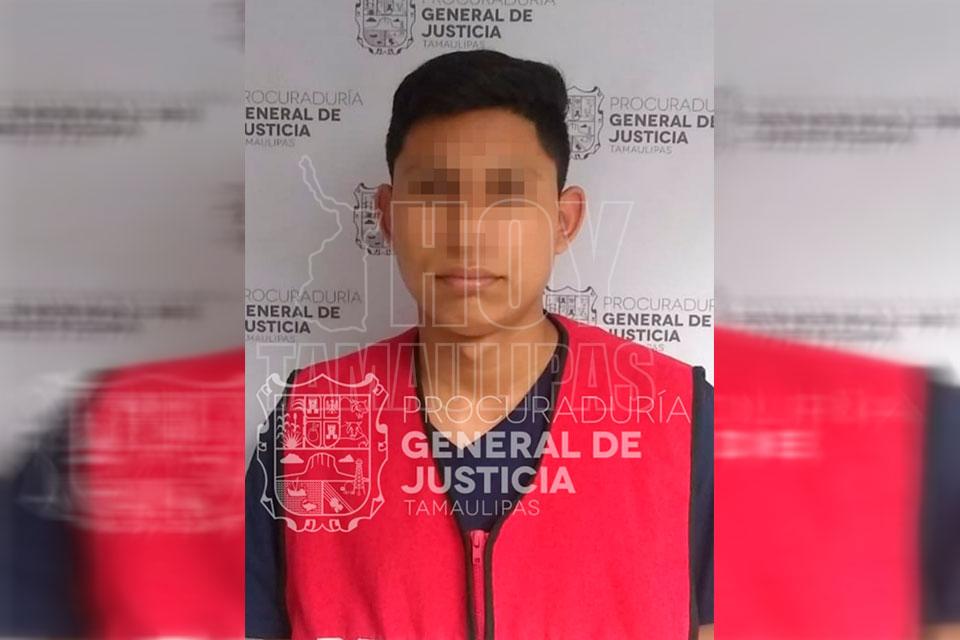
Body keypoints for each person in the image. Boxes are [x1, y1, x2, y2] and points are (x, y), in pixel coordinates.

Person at [245, 49, 714, 640]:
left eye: (508, 195)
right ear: (387, 217)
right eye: (434, 194)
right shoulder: (310, 420)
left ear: (564, 221)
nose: (468, 234)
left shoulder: (680, 416)